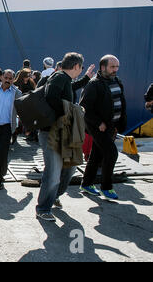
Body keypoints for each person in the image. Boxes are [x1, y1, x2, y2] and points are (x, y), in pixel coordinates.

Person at [36, 52, 86, 222]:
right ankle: (43, 208)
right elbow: (51, 97)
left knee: (70, 168)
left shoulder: (65, 79)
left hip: (62, 131)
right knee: (54, 172)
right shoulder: (59, 77)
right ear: (76, 66)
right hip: (51, 132)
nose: (81, 70)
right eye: (81, 68)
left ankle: (53, 195)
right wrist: (70, 110)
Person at [79, 55, 127, 200]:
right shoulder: (94, 84)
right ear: (103, 67)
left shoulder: (117, 81)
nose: (115, 70)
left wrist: (119, 124)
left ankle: (86, 184)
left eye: (117, 67)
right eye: (112, 67)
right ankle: (106, 187)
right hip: (98, 127)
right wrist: (98, 122)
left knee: (97, 155)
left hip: (112, 126)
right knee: (111, 153)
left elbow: (120, 102)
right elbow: (85, 106)